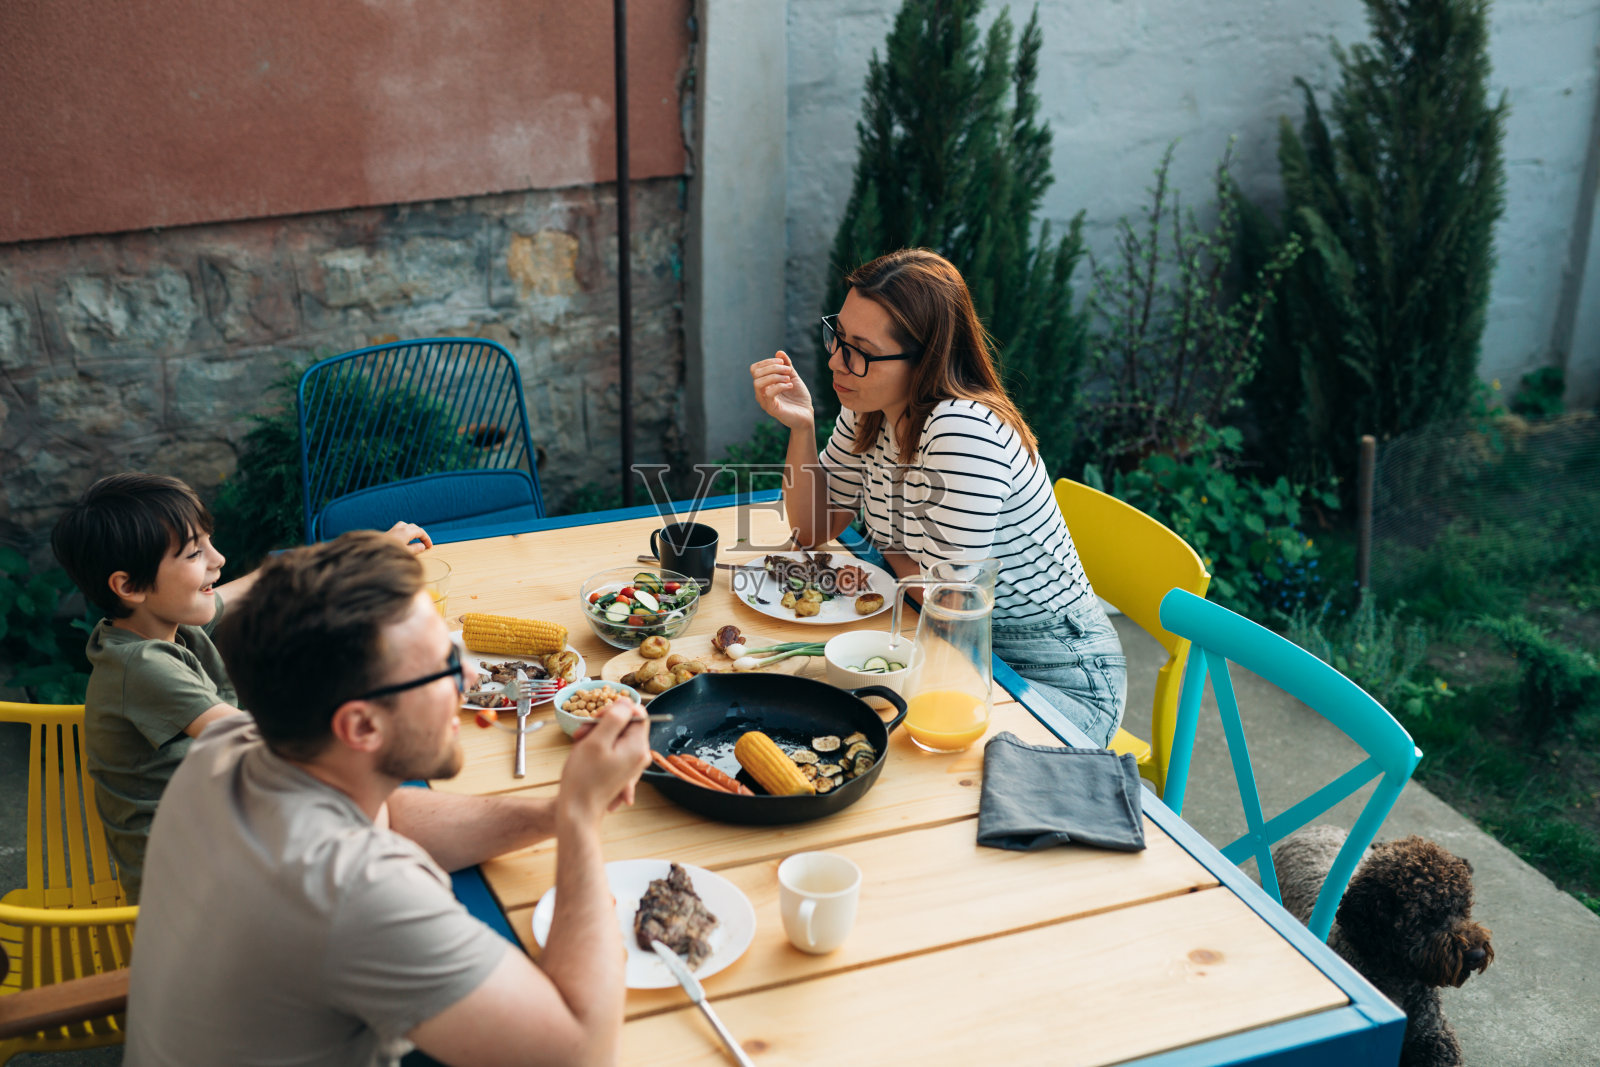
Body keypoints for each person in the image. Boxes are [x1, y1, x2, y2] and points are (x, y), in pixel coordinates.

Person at [124, 531, 652, 1066]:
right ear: (361, 726)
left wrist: (553, 813)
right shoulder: (358, 891)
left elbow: (389, 815)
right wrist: (580, 816)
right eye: (445, 665)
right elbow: (583, 1053)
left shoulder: (231, 745)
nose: (471, 676)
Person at [749, 247, 1127, 746]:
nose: (836, 360)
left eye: (860, 349)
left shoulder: (960, 429)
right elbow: (812, 529)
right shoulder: (868, 403)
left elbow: (949, 604)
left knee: (878, 746)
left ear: (924, 360)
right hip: (958, 652)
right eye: (836, 335)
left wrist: (887, 546)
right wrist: (801, 428)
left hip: (1053, 677)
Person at [50, 472, 432, 903]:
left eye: (209, 543)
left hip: (219, 819)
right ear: (129, 586)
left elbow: (267, 582)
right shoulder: (143, 666)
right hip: (188, 883)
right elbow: (267, 747)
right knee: (375, 815)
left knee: (392, 814)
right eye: (195, 553)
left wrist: (366, 552)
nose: (219, 559)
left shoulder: (158, 623)